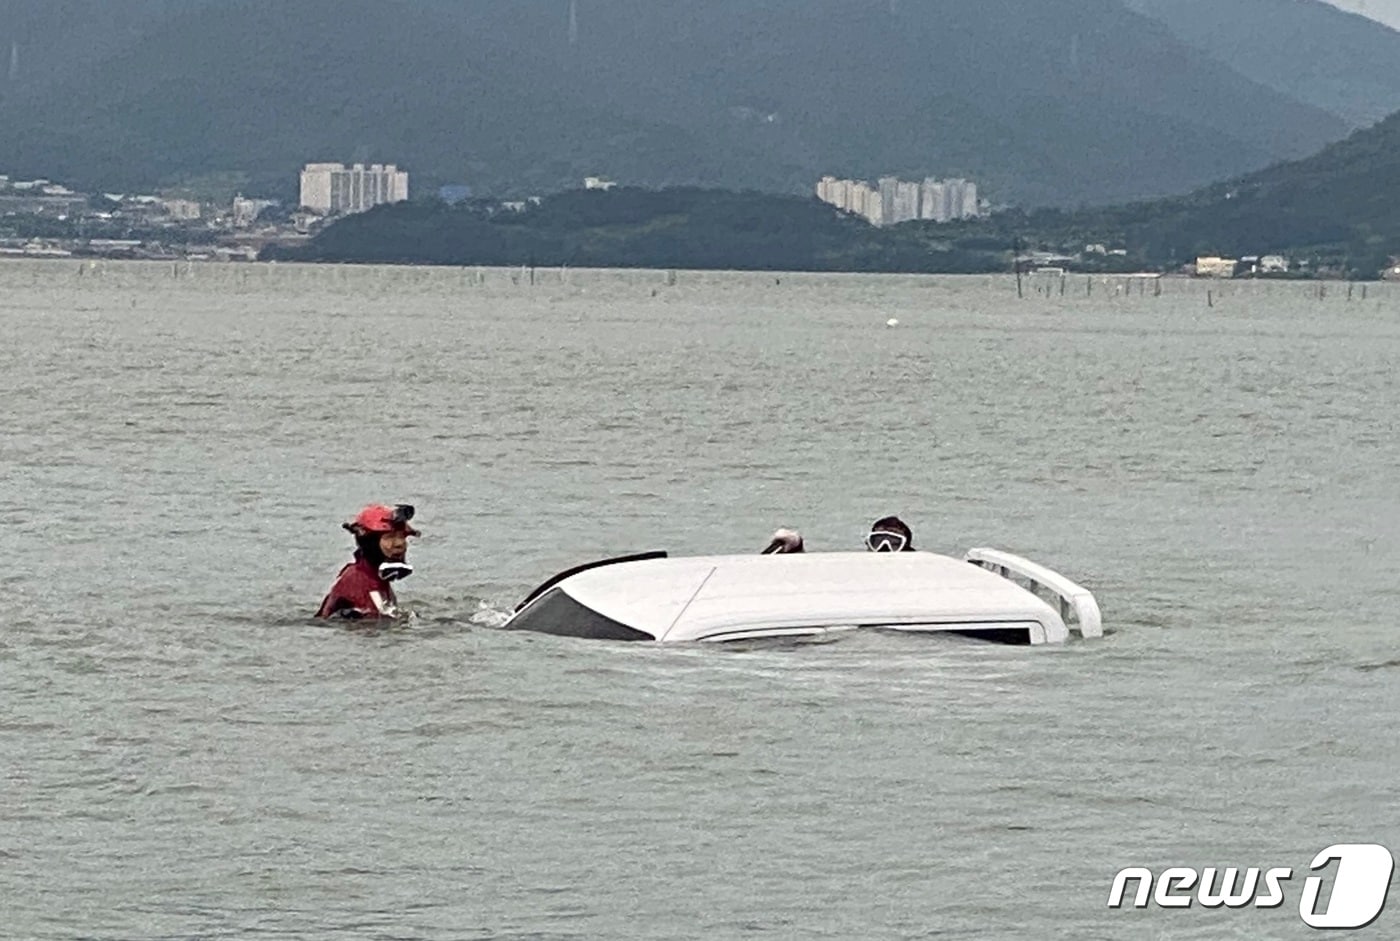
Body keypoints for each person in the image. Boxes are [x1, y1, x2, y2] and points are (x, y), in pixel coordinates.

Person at [316, 503, 421, 619]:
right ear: (371, 543)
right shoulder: (358, 581)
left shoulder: (376, 578)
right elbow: (373, 625)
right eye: (389, 537)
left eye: (402, 537)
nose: (399, 544)